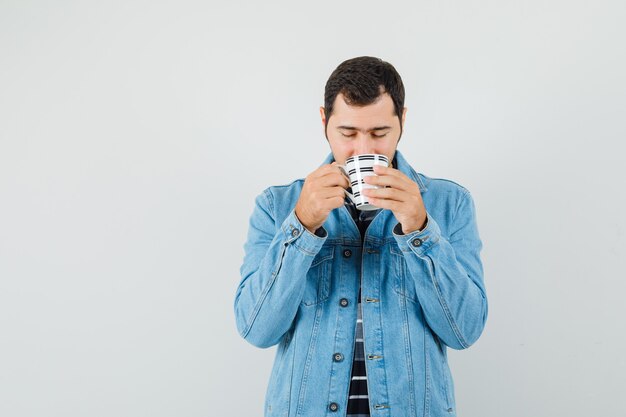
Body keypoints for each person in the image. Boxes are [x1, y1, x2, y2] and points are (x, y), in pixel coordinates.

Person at [234, 56, 488, 417]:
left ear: (403, 121)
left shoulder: (449, 204)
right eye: (348, 134)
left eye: (379, 133)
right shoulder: (277, 206)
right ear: (324, 122)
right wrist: (302, 224)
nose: (364, 150)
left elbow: (463, 331)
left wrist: (420, 229)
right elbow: (256, 329)